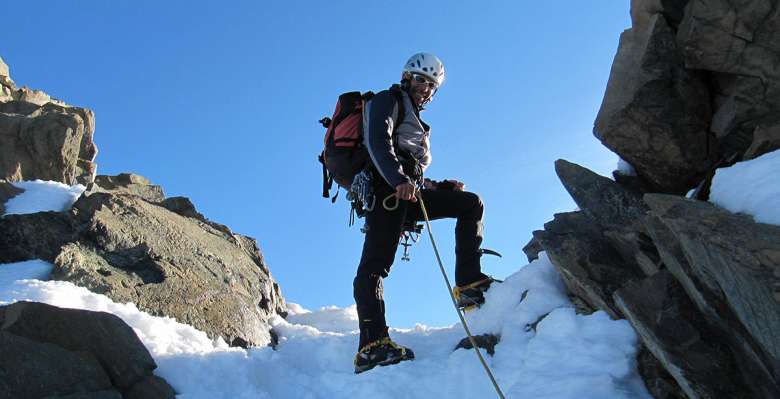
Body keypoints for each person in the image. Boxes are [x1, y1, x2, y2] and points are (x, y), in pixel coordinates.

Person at [353, 52, 494, 374]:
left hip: (404, 190)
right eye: (420, 80)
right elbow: (378, 143)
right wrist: (398, 180)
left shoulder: (413, 116)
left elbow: (408, 164)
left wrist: (439, 185)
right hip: (385, 193)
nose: (425, 88)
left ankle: (470, 283)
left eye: (432, 85)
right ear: (406, 78)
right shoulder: (387, 100)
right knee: (375, 266)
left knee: (469, 203)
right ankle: (371, 345)